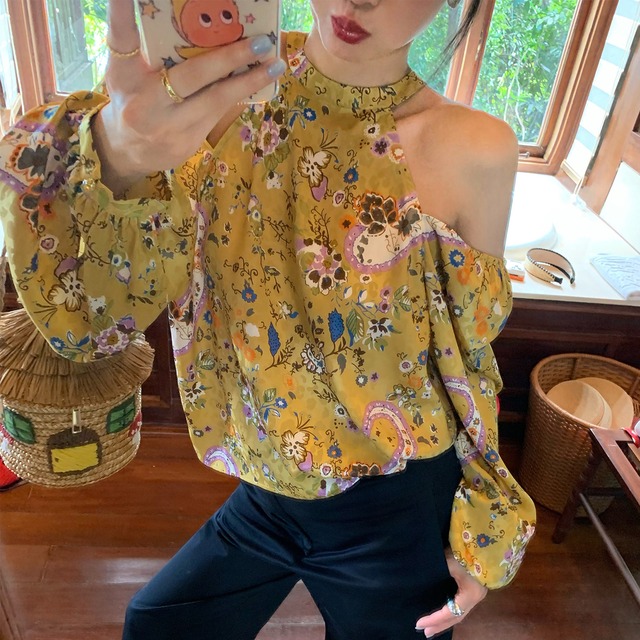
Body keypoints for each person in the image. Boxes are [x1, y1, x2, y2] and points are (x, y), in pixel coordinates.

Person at [0, 0, 537, 637]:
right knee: (156, 626)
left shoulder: (473, 148)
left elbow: (466, 357)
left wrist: (485, 527)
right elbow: (89, 322)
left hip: (393, 503)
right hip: (265, 481)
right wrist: (115, 155)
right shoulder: (210, 95)